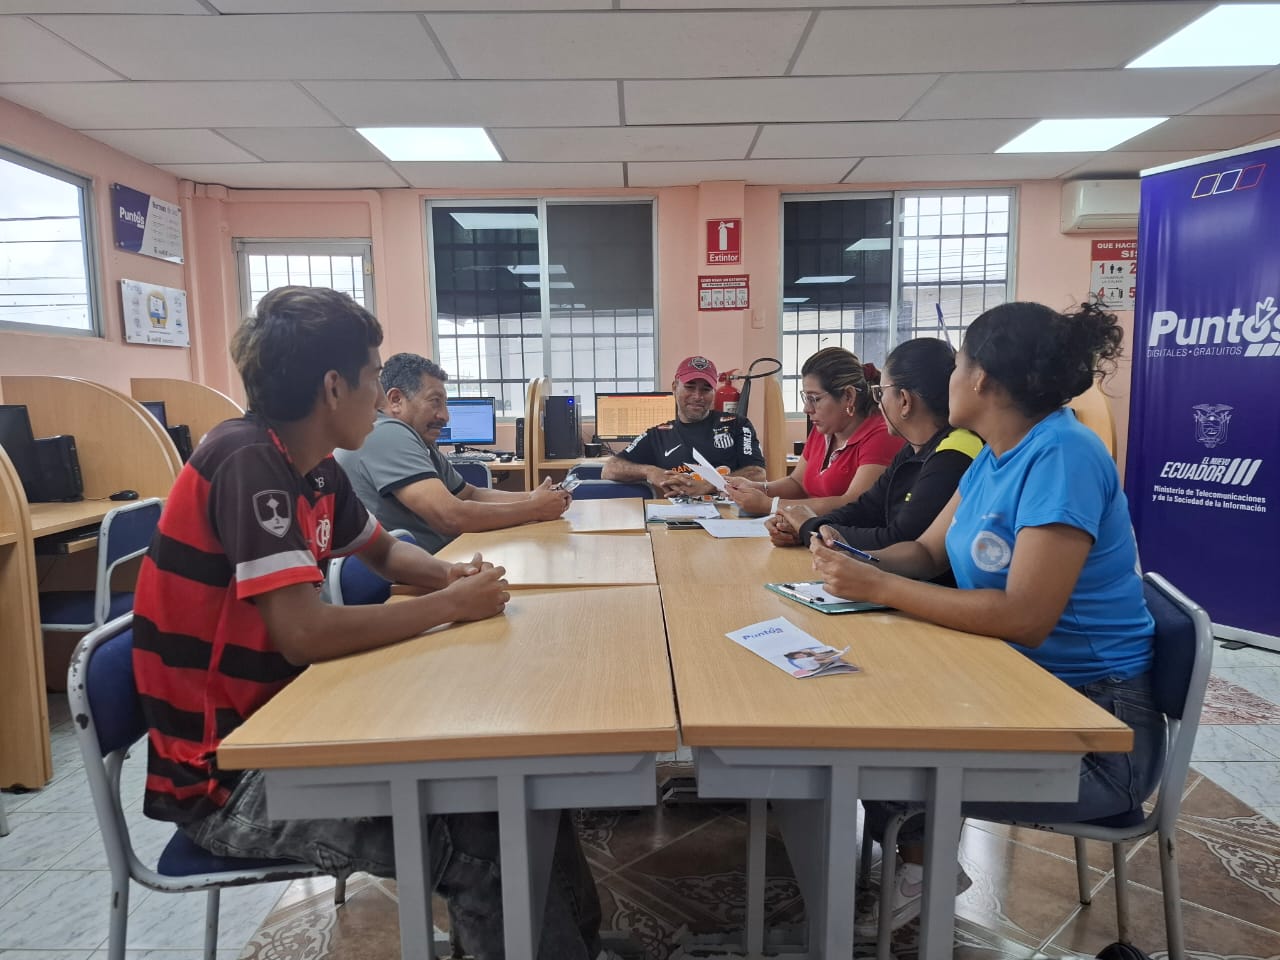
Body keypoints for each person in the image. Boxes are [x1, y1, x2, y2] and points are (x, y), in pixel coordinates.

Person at [131, 286, 603, 960]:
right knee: (485, 842)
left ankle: (575, 943)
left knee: (519, 783)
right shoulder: (248, 462)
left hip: (293, 724)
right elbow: (304, 633)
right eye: (374, 377)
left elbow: (381, 550)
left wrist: (451, 577)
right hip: (229, 778)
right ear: (334, 387)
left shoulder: (315, 466)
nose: (381, 396)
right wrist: (447, 607)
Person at [807, 302, 1162, 937]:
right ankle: (915, 866)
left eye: (958, 363)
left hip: (1095, 734)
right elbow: (926, 553)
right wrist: (854, 561)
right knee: (864, 713)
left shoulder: (1063, 455)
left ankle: (923, 872)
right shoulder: (995, 456)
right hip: (1021, 692)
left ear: (981, 378)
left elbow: (1025, 616)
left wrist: (880, 585)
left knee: (875, 752)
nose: (949, 377)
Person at [764, 338, 982, 559]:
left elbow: (899, 539)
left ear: (904, 401)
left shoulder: (953, 455)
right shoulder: (912, 449)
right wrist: (806, 526)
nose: (878, 403)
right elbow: (866, 508)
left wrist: (809, 528)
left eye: (881, 393)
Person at [334, 352, 572, 554]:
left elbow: (470, 494)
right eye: (435, 402)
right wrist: (534, 509)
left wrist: (531, 497)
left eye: (444, 403)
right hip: (408, 580)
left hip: (441, 561)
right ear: (396, 399)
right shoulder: (387, 433)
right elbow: (450, 516)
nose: (445, 416)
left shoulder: (419, 440)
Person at [724, 347, 903, 516]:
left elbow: (852, 505)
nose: (807, 409)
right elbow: (797, 483)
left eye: (814, 399)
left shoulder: (881, 436)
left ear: (848, 396)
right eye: (806, 398)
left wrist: (770, 505)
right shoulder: (823, 429)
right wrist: (757, 488)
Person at [601, 355, 766, 496]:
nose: (697, 396)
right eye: (690, 387)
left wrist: (709, 485)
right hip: (675, 517)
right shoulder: (658, 435)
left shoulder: (737, 424)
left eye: (706, 389)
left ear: (713, 392)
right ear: (675, 387)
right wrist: (650, 472)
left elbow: (758, 473)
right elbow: (609, 469)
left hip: (729, 516)